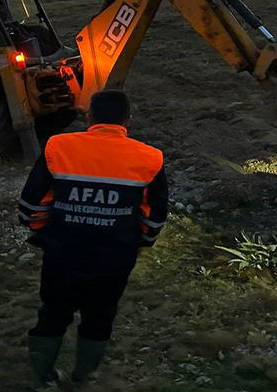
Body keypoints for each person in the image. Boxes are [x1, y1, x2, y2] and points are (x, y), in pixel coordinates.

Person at [18, 90, 169, 385]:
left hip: (62, 253)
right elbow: (154, 216)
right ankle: (83, 378)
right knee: (100, 318)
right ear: (127, 121)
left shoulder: (58, 146)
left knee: (52, 313)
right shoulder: (150, 158)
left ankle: (41, 377)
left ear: (89, 117)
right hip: (114, 259)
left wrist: (43, 233)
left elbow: (32, 204)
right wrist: (138, 242)